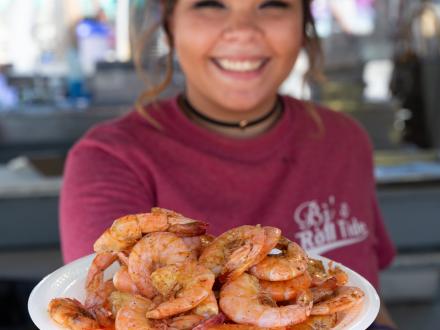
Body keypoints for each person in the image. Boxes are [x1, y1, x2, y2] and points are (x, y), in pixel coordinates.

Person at [60, 0, 397, 328]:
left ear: (304, 24)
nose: (242, 31)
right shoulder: (108, 159)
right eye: (210, 4)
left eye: (273, 4)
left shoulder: (343, 140)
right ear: (170, 22)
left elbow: (367, 305)